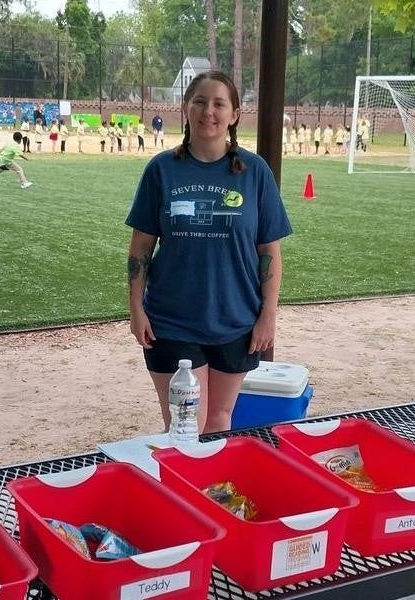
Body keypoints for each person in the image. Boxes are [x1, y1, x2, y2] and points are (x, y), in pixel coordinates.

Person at [126, 71, 292, 434]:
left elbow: (270, 251)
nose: (208, 111)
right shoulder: (162, 170)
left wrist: (268, 314)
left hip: (236, 320)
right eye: (200, 101)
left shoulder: (254, 172)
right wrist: (136, 309)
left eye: (219, 103)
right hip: (171, 321)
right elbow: (140, 248)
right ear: (186, 108)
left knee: (219, 422)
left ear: (234, 114)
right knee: (185, 427)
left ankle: (210, 494)